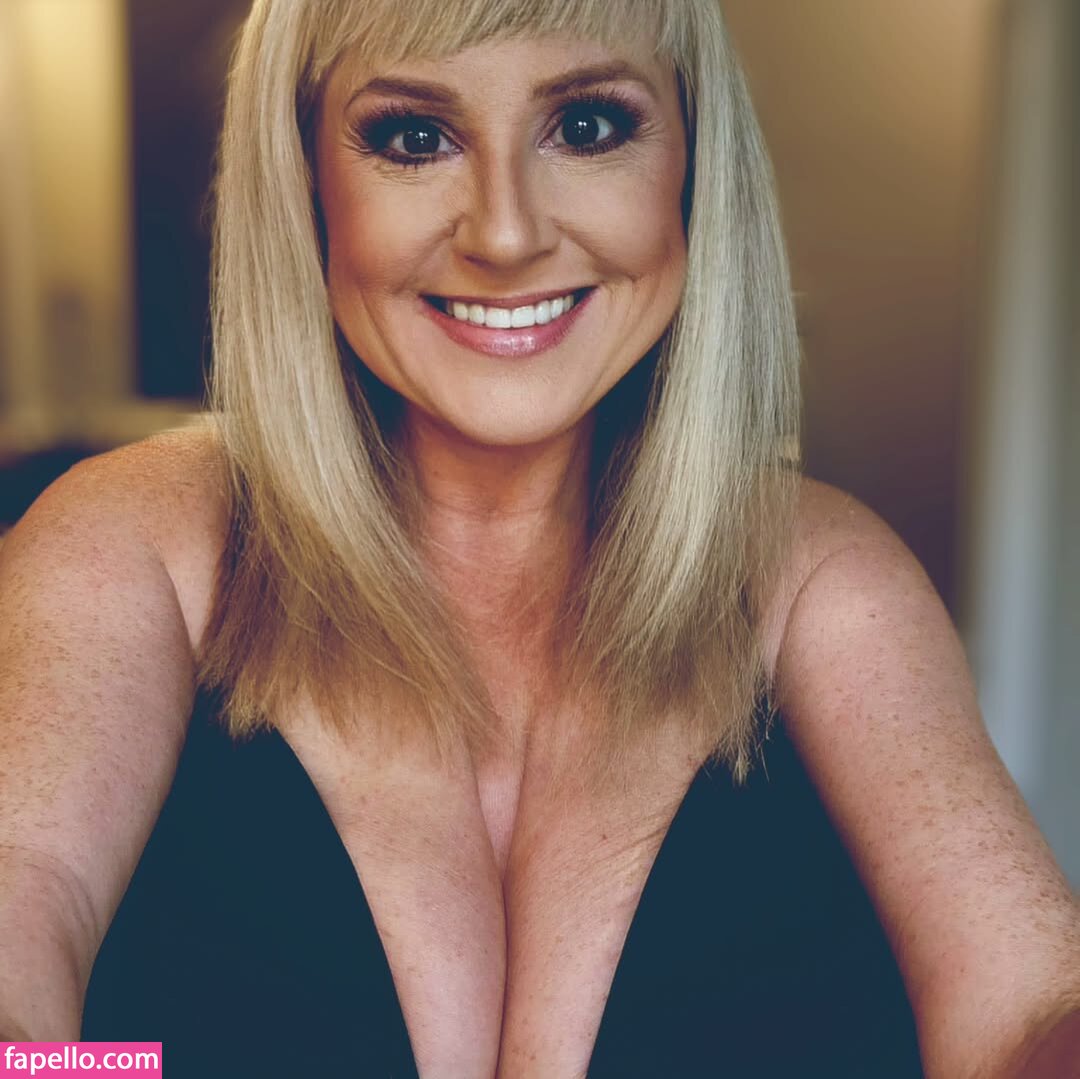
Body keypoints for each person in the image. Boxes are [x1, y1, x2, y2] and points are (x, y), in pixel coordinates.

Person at [1, 0, 1078, 1076]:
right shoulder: (133, 544)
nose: (506, 233)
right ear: (305, 179)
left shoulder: (828, 581)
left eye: (588, 126)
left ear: (693, 163)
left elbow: (1030, 1010)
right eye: (414, 137)